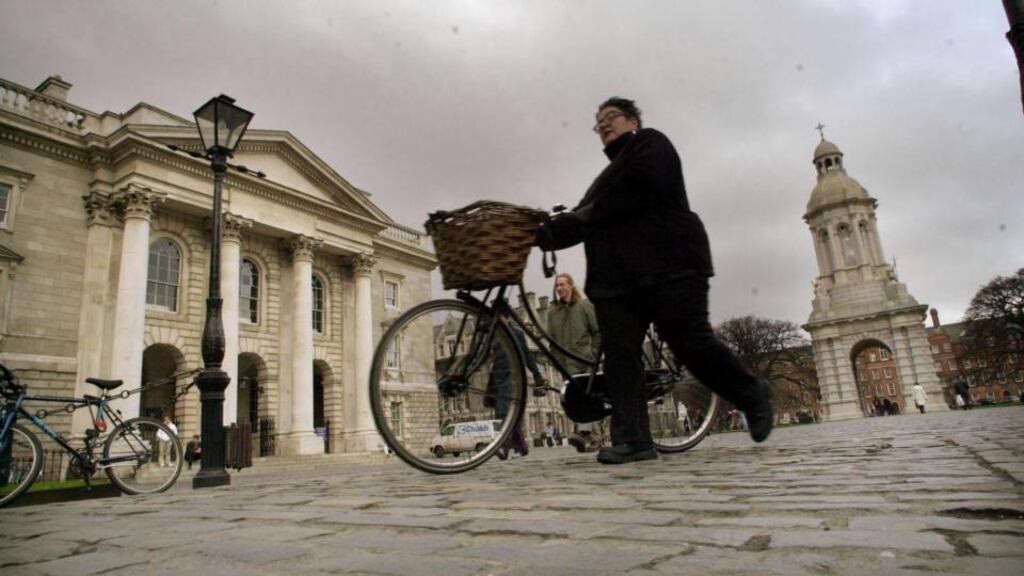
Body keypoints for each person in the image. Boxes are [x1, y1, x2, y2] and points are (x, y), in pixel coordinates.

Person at [535, 97, 773, 465]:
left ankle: (752, 393)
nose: (603, 125)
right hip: (619, 279)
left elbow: (634, 191)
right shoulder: (604, 179)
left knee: (689, 342)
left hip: (670, 262)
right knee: (620, 358)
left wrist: (582, 217)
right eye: (598, 124)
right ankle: (634, 440)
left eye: (610, 117)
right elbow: (583, 217)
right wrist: (543, 234)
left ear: (632, 120)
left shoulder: (651, 144)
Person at [547, 273, 605, 453]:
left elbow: (598, 332)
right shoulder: (553, 313)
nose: (560, 288)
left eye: (563, 285)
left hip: (584, 362)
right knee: (574, 400)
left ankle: (591, 436)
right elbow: (552, 340)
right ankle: (585, 436)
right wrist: (555, 359)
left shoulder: (584, 306)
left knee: (588, 398)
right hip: (565, 364)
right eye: (557, 286)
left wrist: (594, 353)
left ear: (571, 286)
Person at [488, 311, 546, 459]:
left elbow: (526, 355)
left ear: (506, 317)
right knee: (507, 414)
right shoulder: (494, 334)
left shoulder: (517, 333)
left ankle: (503, 447)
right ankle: (522, 447)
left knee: (506, 413)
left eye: (500, 316)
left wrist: (537, 376)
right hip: (498, 378)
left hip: (513, 377)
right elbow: (491, 358)